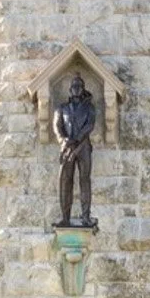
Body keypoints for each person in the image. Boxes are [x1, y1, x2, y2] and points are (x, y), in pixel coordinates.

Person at [54, 73, 99, 227]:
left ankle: (85, 216)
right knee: (66, 181)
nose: (76, 89)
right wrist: (64, 140)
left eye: (79, 86)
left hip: (83, 146)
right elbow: (57, 126)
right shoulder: (62, 108)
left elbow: (90, 124)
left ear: (83, 89)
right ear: (70, 89)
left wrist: (78, 138)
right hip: (67, 148)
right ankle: (65, 216)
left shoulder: (89, 107)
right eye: (74, 86)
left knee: (84, 180)